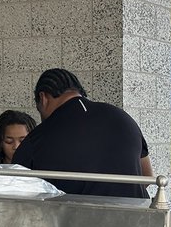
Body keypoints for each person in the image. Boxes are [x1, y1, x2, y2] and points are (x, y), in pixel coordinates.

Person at [12, 68, 152, 197]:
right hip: (138, 217)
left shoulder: (37, 138)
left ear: (43, 98)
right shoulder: (123, 118)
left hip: (78, 221)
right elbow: (147, 176)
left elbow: (19, 194)